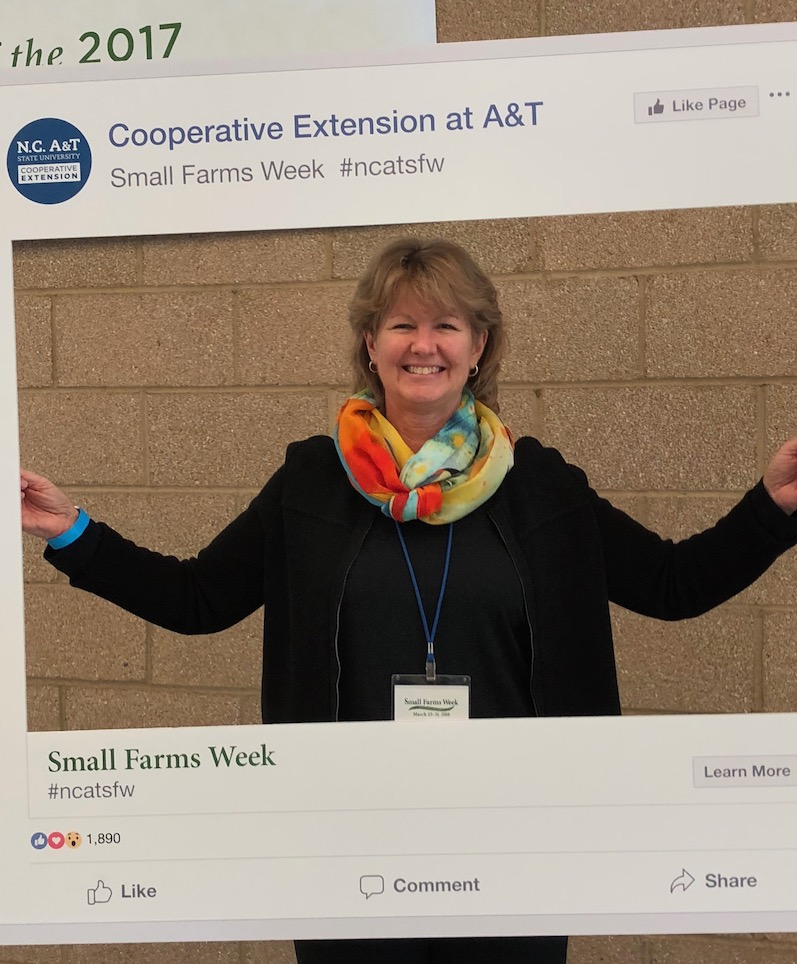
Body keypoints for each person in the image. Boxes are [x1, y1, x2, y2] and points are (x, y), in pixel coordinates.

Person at [20, 237, 797, 964]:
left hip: (515, 844)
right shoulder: (312, 482)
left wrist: (772, 506)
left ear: (479, 346)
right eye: (401, 324)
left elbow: (670, 585)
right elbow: (199, 598)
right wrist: (72, 532)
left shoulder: (540, 486)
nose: (423, 345)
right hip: (348, 841)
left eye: (446, 325)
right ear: (369, 344)